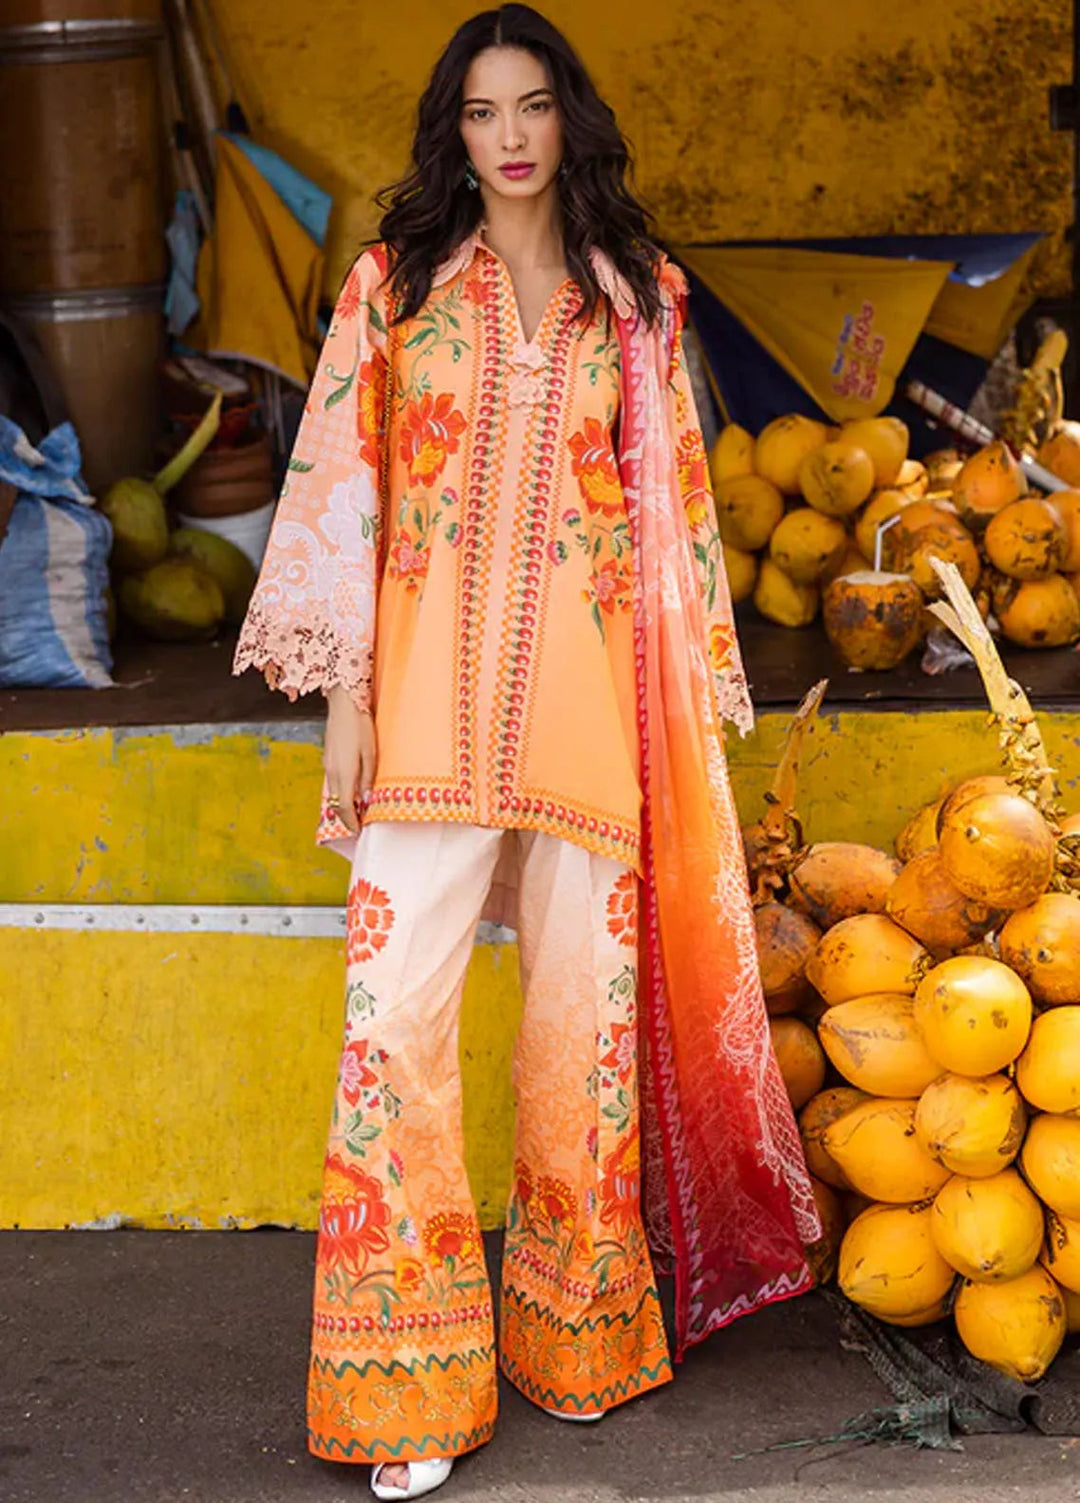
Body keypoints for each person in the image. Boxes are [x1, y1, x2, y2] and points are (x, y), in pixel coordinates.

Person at [235, 6, 819, 1498]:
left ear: (571, 120)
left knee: (579, 1032)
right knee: (391, 1028)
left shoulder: (637, 295)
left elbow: (676, 514)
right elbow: (342, 487)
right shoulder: (395, 285)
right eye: (483, 111)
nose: (509, 136)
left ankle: (572, 1332)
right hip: (423, 712)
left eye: (534, 106)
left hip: (589, 714)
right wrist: (349, 699)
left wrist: (684, 706)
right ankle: (408, 1379)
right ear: (454, 129)